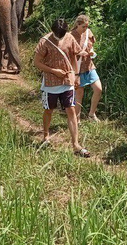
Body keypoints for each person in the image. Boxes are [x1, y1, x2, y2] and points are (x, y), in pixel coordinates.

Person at [34, 18, 91, 157]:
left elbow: (73, 56)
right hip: (50, 83)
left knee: (71, 110)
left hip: (67, 81)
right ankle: (46, 136)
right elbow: (37, 62)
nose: (59, 38)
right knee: (49, 110)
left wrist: (76, 75)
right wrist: (53, 71)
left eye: (62, 35)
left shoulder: (70, 38)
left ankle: (76, 144)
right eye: (57, 35)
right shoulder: (44, 42)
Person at [70, 14, 102, 123]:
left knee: (98, 89)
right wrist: (79, 53)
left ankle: (91, 114)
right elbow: (68, 53)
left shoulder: (88, 32)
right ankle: (77, 119)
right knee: (79, 94)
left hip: (89, 65)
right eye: (83, 26)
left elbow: (91, 45)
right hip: (77, 68)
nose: (85, 29)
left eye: (87, 26)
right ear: (77, 25)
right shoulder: (70, 36)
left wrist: (91, 51)